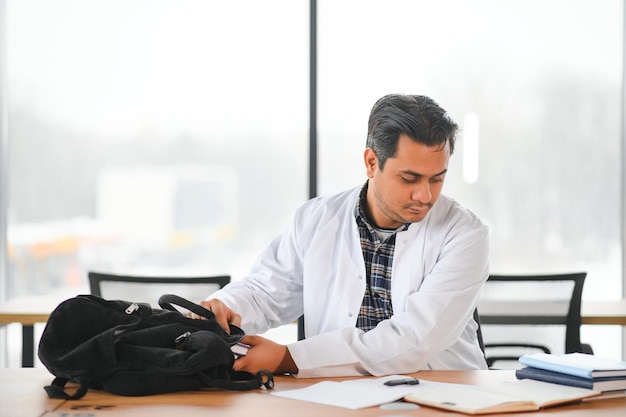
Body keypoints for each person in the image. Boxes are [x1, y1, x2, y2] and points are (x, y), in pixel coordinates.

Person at [197, 94, 489, 377]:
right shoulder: (315, 220)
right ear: (372, 163)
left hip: (445, 397)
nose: (425, 195)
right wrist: (226, 306)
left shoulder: (465, 234)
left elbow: (414, 339)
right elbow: (266, 293)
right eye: (409, 178)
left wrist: (289, 358)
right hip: (336, 396)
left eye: (437, 178)